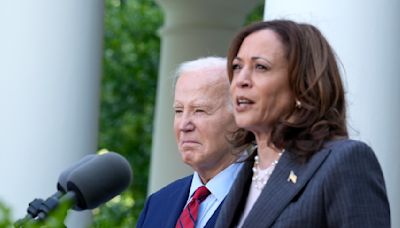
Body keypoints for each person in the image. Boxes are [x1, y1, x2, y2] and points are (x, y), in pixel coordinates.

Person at [215, 20, 391, 228]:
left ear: (302, 85)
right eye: (237, 67)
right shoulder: (243, 173)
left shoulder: (344, 161)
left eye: (260, 67)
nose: (241, 80)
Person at [137, 57, 247, 228]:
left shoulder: (265, 200)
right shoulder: (158, 204)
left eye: (200, 110)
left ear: (240, 118)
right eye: (179, 111)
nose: (184, 125)